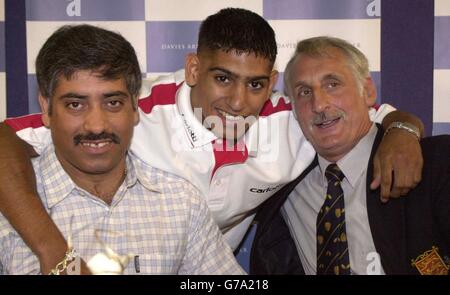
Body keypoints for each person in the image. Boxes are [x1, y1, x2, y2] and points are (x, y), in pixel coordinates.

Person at [0, 8, 424, 274]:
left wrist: (402, 131)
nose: (238, 102)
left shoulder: (295, 117)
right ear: (193, 68)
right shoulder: (126, 108)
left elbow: (376, 117)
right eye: (222, 79)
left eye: (255, 84)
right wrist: (55, 253)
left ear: (273, 83)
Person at [0, 24, 244, 275]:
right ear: (46, 106)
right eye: (75, 104)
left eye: (113, 102)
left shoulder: (180, 201)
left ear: (135, 106)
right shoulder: (8, 207)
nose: (96, 125)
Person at [250, 36, 449, 275]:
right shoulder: (282, 179)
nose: (319, 104)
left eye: (332, 84)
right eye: (304, 92)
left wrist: (403, 128)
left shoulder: (434, 165)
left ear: (367, 91)